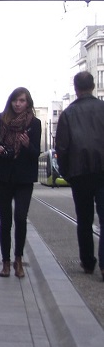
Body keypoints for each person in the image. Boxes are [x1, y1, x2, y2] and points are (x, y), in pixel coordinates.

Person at [55, 71, 104, 281]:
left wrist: (67, 172)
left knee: (84, 219)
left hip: (79, 172)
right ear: (93, 86)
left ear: (76, 88)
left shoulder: (68, 114)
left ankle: (87, 261)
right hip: (102, 171)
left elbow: (62, 147)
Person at [0, 87, 41, 278]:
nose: (18, 104)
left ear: (28, 103)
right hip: (3, 177)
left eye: (22, 101)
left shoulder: (35, 124)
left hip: (24, 179)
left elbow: (35, 153)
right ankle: (6, 263)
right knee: (5, 221)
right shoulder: (2, 119)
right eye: (15, 101)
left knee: (20, 217)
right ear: (10, 102)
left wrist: (27, 145)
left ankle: (18, 260)